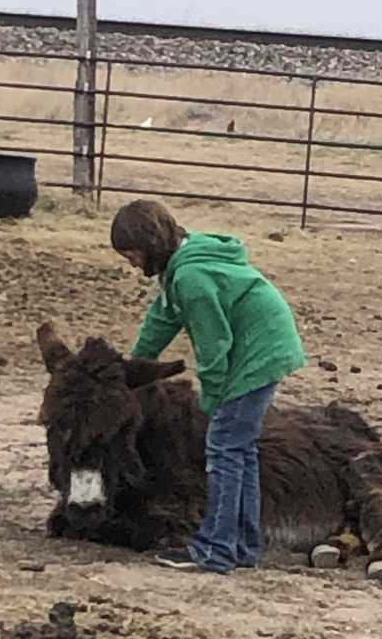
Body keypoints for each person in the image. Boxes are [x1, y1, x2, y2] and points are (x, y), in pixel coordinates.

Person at [110, 198, 306, 575]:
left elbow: (213, 345)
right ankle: (243, 546)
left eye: (132, 254)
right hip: (265, 344)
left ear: (150, 245)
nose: (131, 263)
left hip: (258, 353)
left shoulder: (191, 279)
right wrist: (133, 366)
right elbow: (162, 318)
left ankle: (214, 551)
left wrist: (213, 397)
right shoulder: (181, 266)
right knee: (240, 449)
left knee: (223, 448)